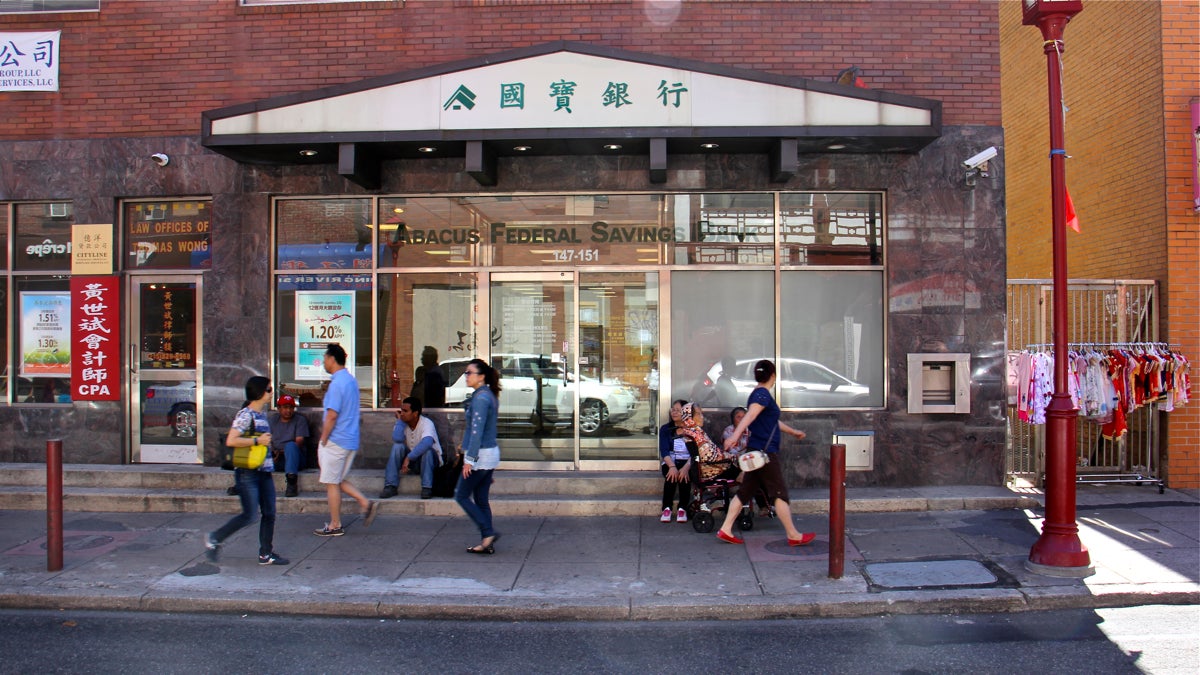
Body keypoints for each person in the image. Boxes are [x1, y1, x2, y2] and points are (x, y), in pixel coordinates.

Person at [716, 359, 815, 547]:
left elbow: (770, 421)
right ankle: (793, 534)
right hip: (764, 453)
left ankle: (726, 529)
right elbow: (750, 415)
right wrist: (734, 436)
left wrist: (793, 431)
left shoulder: (759, 395)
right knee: (779, 493)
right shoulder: (762, 395)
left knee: (746, 491)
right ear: (773, 375)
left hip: (757, 452)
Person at [204, 376, 289, 566]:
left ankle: (266, 554)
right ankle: (215, 538)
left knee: (270, 512)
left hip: (264, 471)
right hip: (247, 473)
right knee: (250, 514)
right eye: (268, 390)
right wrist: (257, 441)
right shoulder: (246, 414)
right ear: (258, 393)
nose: (271, 392)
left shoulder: (261, 414)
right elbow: (231, 440)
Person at [313, 344, 379, 537]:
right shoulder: (350, 381)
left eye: (325, 358)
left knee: (331, 482)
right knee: (337, 479)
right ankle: (365, 502)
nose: (324, 362)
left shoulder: (337, 384)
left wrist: (323, 438)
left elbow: (332, 415)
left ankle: (335, 524)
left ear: (332, 359)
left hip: (336, 440)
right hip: (350, 439)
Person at [456, 358, 502, 554]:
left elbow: (477, 431)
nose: (466, 376)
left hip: (480, 455)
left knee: (461, 495)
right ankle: (486, 542)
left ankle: (488, 532)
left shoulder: (481, 399)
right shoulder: (487, 395)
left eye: (469, 373)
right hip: (488, 454)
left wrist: (469, 460)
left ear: (481, 376)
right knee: (481, 499)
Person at [380, 396, 443, 500]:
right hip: (413, 464)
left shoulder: (426, 423)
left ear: (415, 413)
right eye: (401, 411)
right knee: (397, 447)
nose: (402, 413)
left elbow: (427, 442)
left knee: (427, 451)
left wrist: (408, 457)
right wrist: (400, 422)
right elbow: (397, 438)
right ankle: (390, 486)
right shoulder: (402, 423)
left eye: (405, 411)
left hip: (429, 463)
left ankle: (427, 488)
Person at [723, 406, 773, 518]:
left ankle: (766, 505)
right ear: (733, 419)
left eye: (744, 417)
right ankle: (764, 505)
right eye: (738, 417)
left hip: (749, 461)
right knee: (753, 473)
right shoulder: (729, 431)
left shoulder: (751, 430)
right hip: (735, 463)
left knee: (761, 471)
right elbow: (732, 450)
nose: (741, 419)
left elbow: (755, 447)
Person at [678, 402, 738, 483]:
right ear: (690, 417)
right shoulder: (696, 435)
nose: (702, 417)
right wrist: (731, 456)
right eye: (698, 414)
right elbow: (709, 456)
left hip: (706, 468)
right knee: (744, 470)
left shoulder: (693, 432)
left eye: (701, 414)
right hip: (712, 470)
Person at [268, 394, 309, 498]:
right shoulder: (272, 420)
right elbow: (267, 439)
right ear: (279, 408)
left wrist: (280, 452)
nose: (288, 410)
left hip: (294, 458)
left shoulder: (300, 420)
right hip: (277, 458)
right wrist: (273, 453)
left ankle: (291, 484)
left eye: (291, 407)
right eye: (285, 407)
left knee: (291, 446)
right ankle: (242, 484)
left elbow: (299, 442)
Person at [657, 399, 690, 523]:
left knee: (684, 476)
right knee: (671, 476)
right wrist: (671, 466)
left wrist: (686, 467)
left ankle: (683, 508)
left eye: (678, 410)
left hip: (687, 462)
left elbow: (696, 452)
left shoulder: (692, 429)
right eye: (673, 410)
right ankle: (667, 508)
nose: (674, 412)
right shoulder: (665, 429)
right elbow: (664, 451)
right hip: (671, 461)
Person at [645, 361, 660, 431]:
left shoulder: (660, 372)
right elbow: (647, 381)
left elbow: (647, 381)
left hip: (659, 390)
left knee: (654, 410)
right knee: (652, 410)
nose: (653, 367)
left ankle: (654, 427)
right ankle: (652, 428)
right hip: (653, 390)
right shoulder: (650, 373)